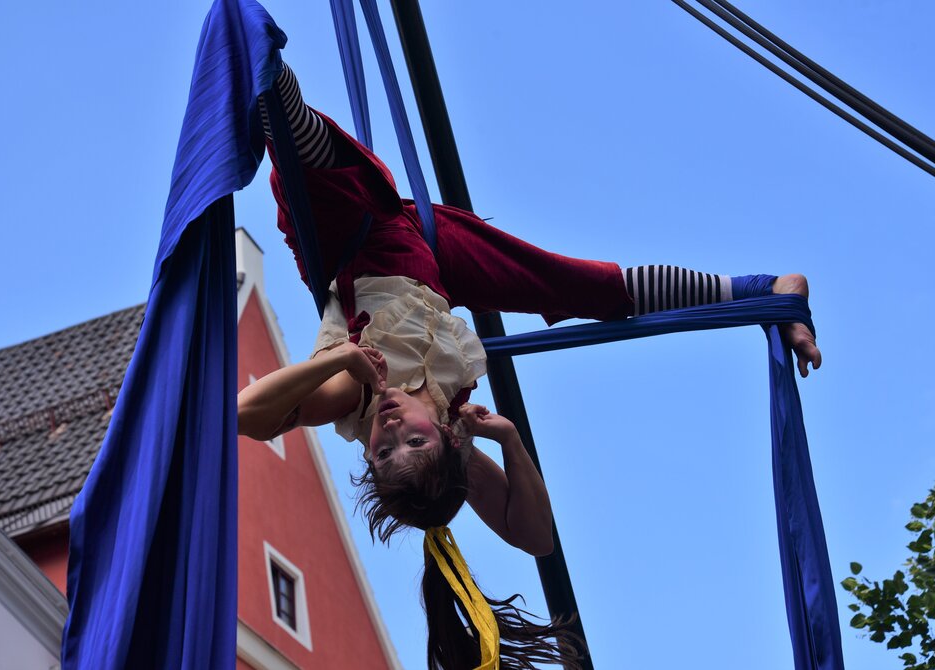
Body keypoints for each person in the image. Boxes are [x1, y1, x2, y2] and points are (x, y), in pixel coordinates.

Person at [238, 63, 821, 669]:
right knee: (579, 288)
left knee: (313, 169)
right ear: (441, 435)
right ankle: (764, 289)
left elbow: (244, 417)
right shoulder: (459, 432)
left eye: (383, 450)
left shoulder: (351, 396)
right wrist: (510, 442)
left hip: (362, 239)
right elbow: (535, 536)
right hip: (439, 262)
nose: (388, 429)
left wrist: (338, 360)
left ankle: (263, 72)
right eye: (411, 439)